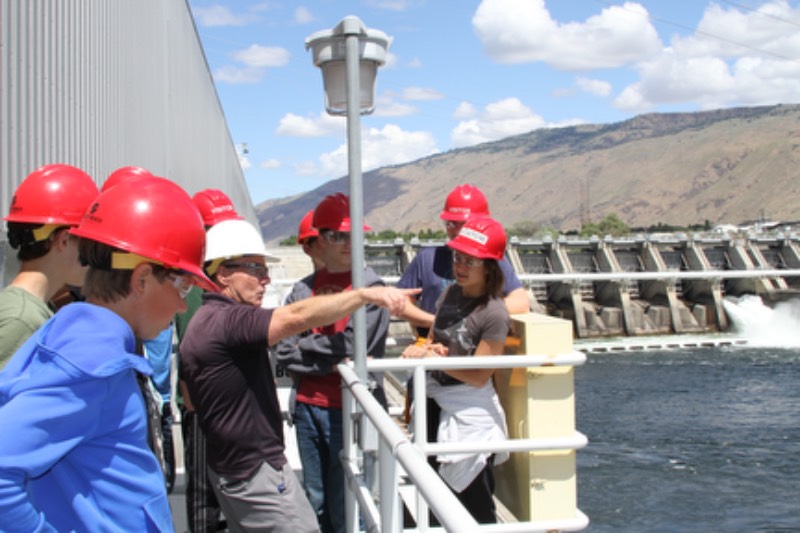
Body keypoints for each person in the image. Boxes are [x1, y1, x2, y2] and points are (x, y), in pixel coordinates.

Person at [0, 176, 215, 531]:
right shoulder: (91, 363)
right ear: (142, 279)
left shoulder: (81, 340)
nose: (182, 306)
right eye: (183, 284)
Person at [179, 216, 418, 533]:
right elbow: (294, 317)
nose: (265, 279)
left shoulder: (203, 321)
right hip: (256, 475)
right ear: (223, 274)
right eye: (255, 269)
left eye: (266, 270)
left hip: (232, 470)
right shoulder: (228, 321)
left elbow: (192, 400)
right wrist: (363, 296)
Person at [274, 194, 390, 533]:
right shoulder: (301, 290)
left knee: (348, 505)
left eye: (353, 236)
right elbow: (283, 353)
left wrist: (307, 346)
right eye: (338, 236)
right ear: (321, 239)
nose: (347, 244)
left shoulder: (371, 289)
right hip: (308, 409)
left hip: (348, 410)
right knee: (316, 499)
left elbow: (355, 344)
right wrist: (333, 360)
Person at [401, 215, 511, 524]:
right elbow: (436, 338)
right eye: (457, 258)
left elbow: (479, 375)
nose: (459, 266)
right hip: (434, 402)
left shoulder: (494, 314)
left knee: (475, 502)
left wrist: (435, 360)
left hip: (468, 410)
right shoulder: (450, 294)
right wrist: (427, 348)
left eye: (469, 261)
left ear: (489, 267)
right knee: (433, 492)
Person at [176, 187, 244, 532]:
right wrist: (195, 409)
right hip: (204, 411)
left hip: (229, 411)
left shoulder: (221, 283)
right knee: (206, 505)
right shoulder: (192, 286)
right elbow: (189, 356)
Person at [396, 184, 529, 338]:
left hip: (473, 344)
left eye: (465, 225)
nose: (457, 231)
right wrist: (435, 322)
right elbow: (400, 301)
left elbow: (521, 302)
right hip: (432, 343)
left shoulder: (491, 259)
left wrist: (467, 319)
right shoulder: (427, 258)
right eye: (451, 224)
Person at [0, 164, 100, 369]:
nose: (93, 255)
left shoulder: (36, 309)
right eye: (90, 243)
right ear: (64, 240)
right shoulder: (21, 320)